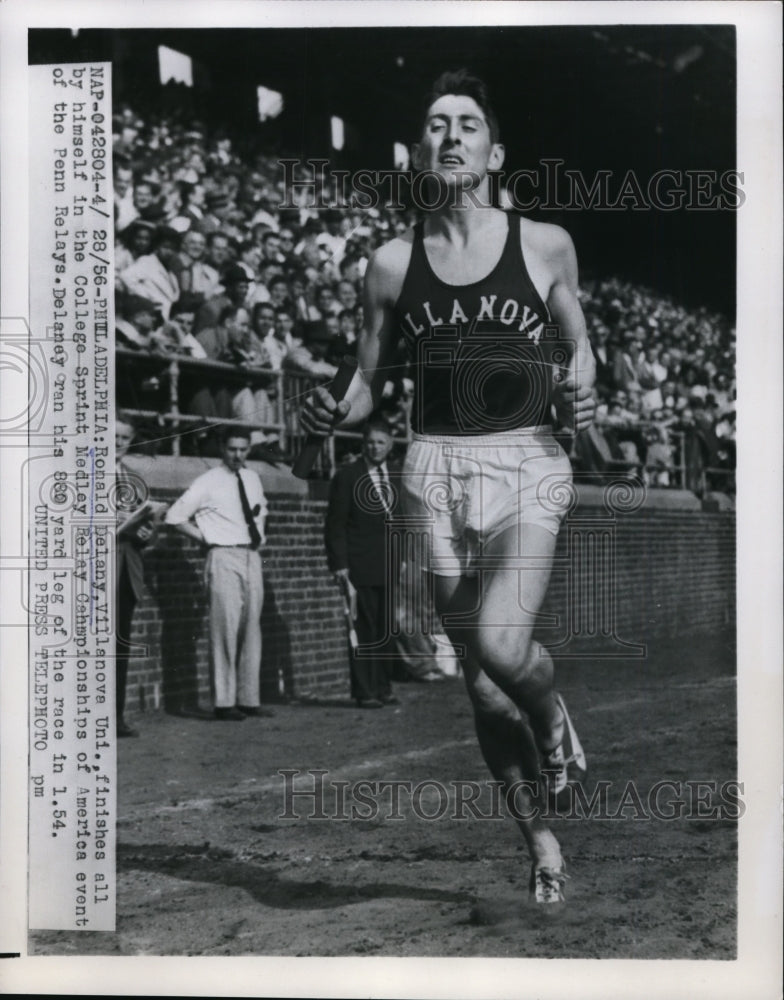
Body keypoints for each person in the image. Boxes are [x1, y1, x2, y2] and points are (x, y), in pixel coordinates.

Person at [302, 70, 596, 905]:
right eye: (436, 124)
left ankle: (553, 719)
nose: (452, 134)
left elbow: (580, 344)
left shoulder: (542, 243)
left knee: (504, 650)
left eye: (468, 123)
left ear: (494, 152)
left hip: (528, 459)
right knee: (478, 689)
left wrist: (583, 380)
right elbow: (367, 379)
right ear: (420, 151)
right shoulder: (390, 264)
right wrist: (336, 404)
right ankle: (538, 840)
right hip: (433, 465)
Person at [164, 429, 272, 720]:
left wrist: (259, 537)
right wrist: (207, 538)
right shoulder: (208, 481)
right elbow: (174, 517)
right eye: (233, 449)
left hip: (251, 555)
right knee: (225, 629)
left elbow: (260, 512)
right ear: (222, 449)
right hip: (223, 556)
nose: (238, 455)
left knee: (252, 627)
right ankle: (224, 703)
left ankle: (249, 698)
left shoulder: (252, 478)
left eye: (244, 449)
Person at [324, 420, 400, 708]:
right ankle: (364, 690)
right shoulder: (348, 476)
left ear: (390, 445)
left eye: (381, 442)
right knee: (362, 629)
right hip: (358, 566)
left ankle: (383, 686)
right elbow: (335, 525)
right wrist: (339, 564)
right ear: (362, 444)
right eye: (370, 442)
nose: (375, 447)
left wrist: (401, 558)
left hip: (388, 565)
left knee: (385, 630)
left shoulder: (395, 476)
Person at [115, 417, 165, 737]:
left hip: (126, 570)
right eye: (113, 435)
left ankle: (115, 717)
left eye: (124, 437)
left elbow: (145, 535)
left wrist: (146, 528)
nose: (118, 442)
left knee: (120, 644)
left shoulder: (132, 478)